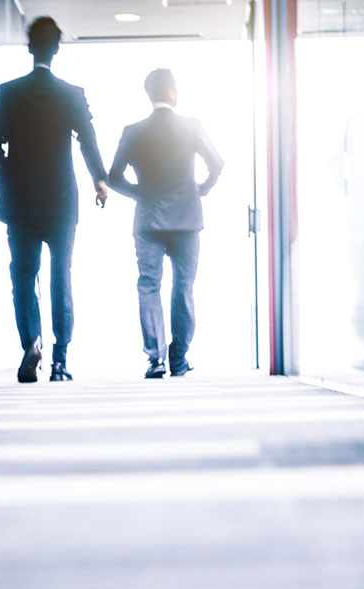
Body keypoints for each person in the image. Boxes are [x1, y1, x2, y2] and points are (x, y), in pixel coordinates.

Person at [0, 16, 109, 383]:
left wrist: (7, 183)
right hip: (60, 201)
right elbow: (87, 140)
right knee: (60, 277)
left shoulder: (7, 92)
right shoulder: (71, 94)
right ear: (56, 49)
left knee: (23, 276)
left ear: (29, 47)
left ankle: (32, 343)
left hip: (19, 201)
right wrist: (100, 181)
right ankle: (61, 361)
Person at [108, 69, 223, 378]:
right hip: (186, 219)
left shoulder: (134, 131)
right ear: (173, 91)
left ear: (150, 94)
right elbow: (217, 162)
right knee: (183, 288)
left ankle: (155, 359)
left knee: (148, 285)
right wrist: (201, 189)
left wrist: (139, 194)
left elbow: (114, 176)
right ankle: (179, 357)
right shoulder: (191, 127)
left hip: (148, 220)